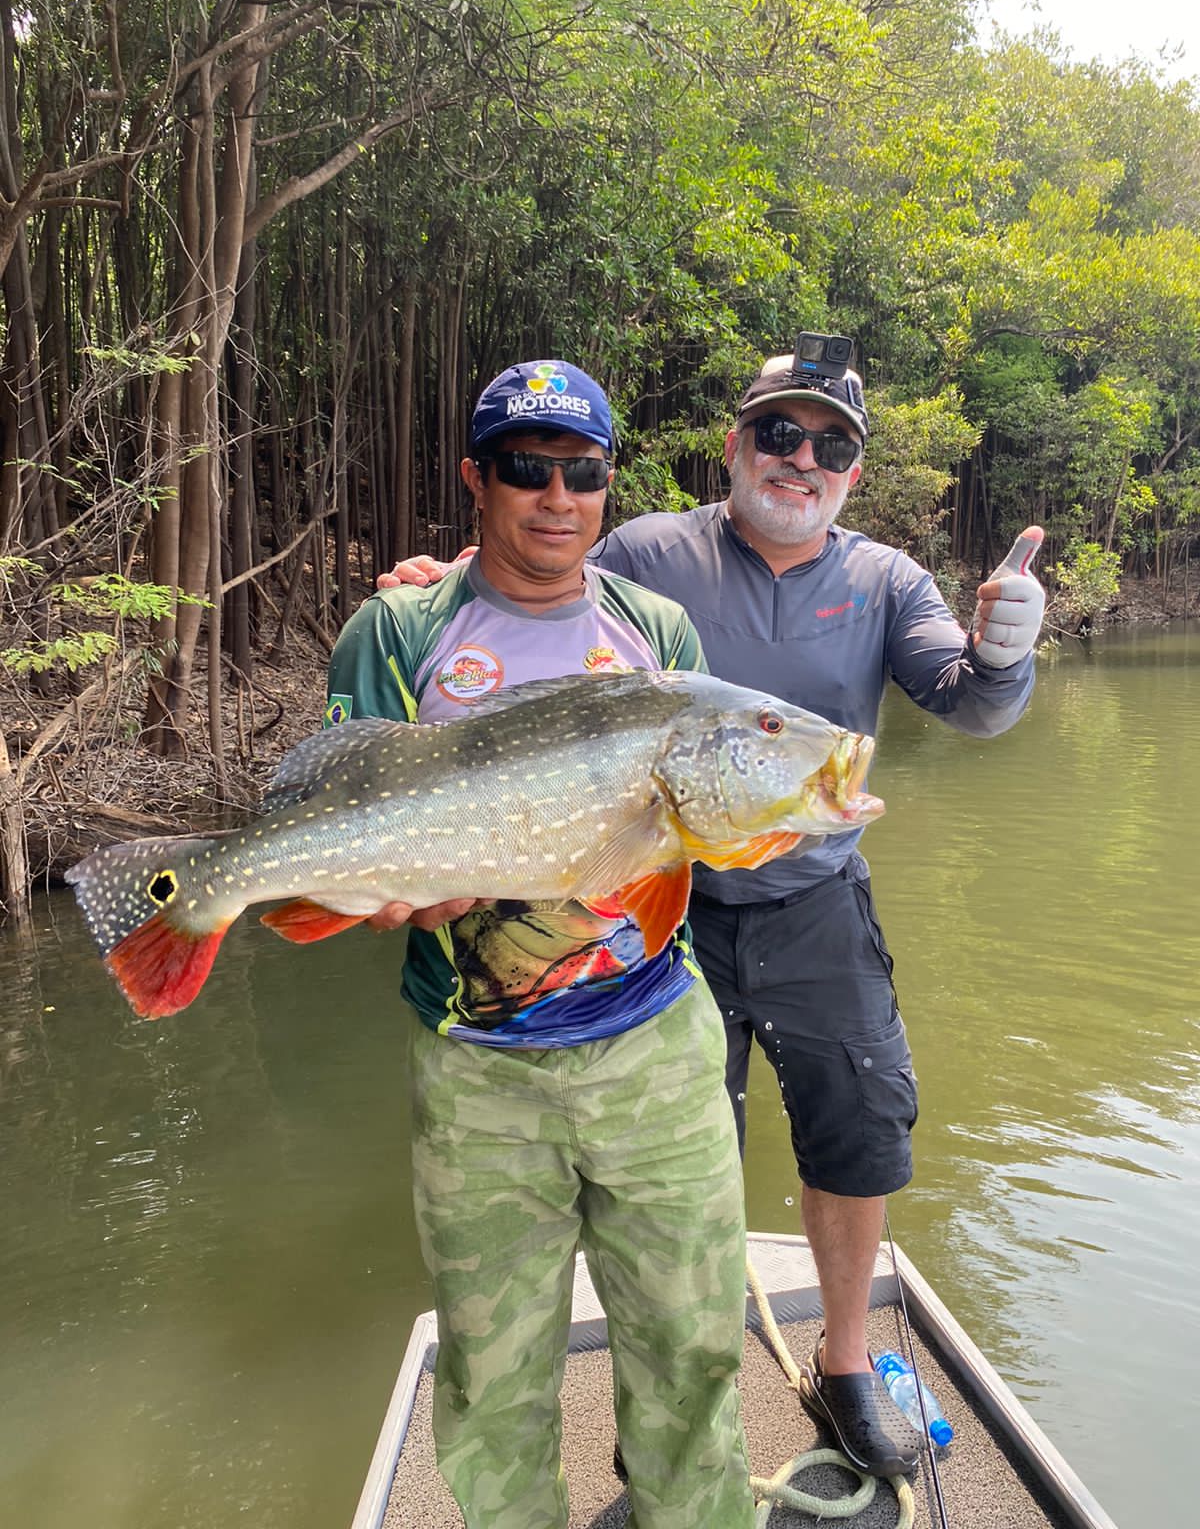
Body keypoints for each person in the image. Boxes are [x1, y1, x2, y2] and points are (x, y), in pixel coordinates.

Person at [378, 335, 1046, 1478]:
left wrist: (1006, 653)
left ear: (854, 471)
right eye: (780, 432)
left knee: (857, 1128)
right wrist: (440, 583)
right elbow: (543, 587)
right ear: (736, 444)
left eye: (830, 445)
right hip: (657, 922)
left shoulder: (888, 579)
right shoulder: (650, 552)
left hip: (814, 903)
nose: (802, 459)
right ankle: (684, 1405)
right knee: (684, 1170)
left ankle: (845, 1360)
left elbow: (971, 705)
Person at [328, 360, 756, 1529]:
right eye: (527, 467)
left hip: (657, 1047)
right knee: (491, 1373)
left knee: (693, 1345)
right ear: (477, 479)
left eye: (584, 471)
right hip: (478, 1076)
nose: (558, 496)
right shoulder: (401, 626)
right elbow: (343, 805)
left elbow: (691, 828)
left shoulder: (655, 629)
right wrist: (379, 893)